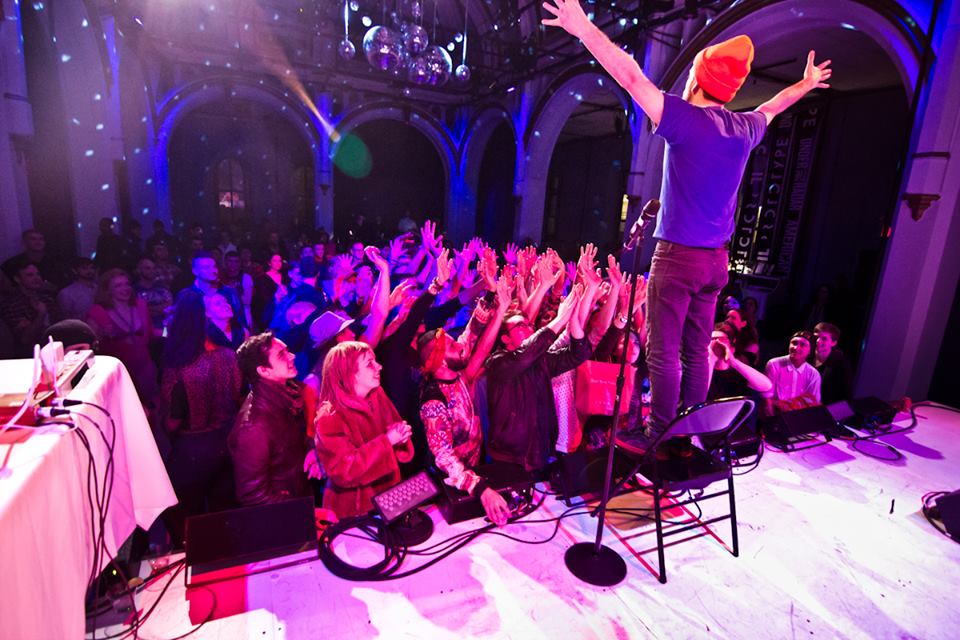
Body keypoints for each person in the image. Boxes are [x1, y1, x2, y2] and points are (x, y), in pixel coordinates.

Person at [542, 0, 831, 449]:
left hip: (678, 258)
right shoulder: (744, 127)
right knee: (696, 351)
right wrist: (806, 84)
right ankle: (693, 431)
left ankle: (658, 432)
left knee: (662, 352)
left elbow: (631, 77)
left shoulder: (685, 120)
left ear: (696, 78)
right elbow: (774, 106)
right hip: (716, 263)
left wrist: (584, 30)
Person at [418, 275, 513, 526]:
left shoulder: (458, 375)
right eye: (452, 346)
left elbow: (474, 337)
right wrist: (480, 489)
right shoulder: (433, 403)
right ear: (439, 360)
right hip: (451, 484)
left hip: (474, 472)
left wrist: (494, 300)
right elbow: (445, 458)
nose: (460, 346)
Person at [159, 292, 242, 543]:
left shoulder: (178, 365)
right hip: (226, 443)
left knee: (185, 522)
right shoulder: (229, 356)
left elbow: (173, 420)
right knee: (225, 518)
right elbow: (238, 397)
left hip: (192, 449)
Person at [485, 283, 592, 471]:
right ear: (505, 338)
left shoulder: (540, 360)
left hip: (539, 453)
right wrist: (559, 319)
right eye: (521, 326)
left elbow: (578, 355)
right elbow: (523, 356)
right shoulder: (497, 363)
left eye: (529, 325)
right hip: (508, 457)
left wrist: (573, 319)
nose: (529, 329)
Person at [313, 342, 414, 518]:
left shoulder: (377, 395)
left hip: (388, 498)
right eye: (369, 364)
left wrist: (401, 437)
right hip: (355, 512)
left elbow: (394, 432)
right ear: (349, 374)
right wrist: (388, 441)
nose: (379, 366)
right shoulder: (329, 416)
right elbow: (344, 470)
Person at [229, 332, 311, 506]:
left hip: (300, 496)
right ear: (264, 371)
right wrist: (302, 510)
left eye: (287, 350)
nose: (292, 356)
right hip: (286, 512)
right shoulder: (254, 427)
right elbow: (253, 494)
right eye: (282, 355)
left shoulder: (286, 395)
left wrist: (312, 451)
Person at [86, 268, 158, 405]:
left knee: (150, 407)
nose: (125, 288)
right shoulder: (98, 312)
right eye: (118, 285)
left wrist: (173, 329)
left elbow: (151, 333)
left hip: (145, 368)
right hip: (118, 372)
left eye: (126, 284)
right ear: (107, 290)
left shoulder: (140, 305)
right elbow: (89, 348)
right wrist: (101, 335)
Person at [0, 258, 61, 356]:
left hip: (54, 350)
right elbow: (25, 340)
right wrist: (41, 314)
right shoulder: (11, 304)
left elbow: (60, 325)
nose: (36, 278)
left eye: (38, 274)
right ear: (17, 279)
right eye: (30, 275)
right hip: (28, 356)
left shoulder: (47, 299)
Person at [762, 331, 821, 415]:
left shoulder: (813, 374)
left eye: (802, 345)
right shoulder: (774, 364)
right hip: (776, 413)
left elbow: (813, 401)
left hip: (800, 416)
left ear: (810, 350)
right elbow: (767, 396)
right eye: (794, 343)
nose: (796, 348)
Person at [813, 322, 853, 405]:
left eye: (824, 338)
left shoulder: (841, 364)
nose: (818, 341)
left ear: (833, 343)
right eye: (816, 337)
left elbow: (844, 396)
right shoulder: (806, 355)